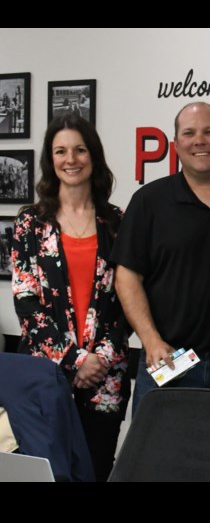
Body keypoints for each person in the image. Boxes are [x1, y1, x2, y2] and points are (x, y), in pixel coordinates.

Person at [11, 112, 129, 481]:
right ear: (51, 160)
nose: (71, 159)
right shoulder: (30, 223)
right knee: (47, 473)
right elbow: (26, 302)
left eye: (79, 150)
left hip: (104, 378)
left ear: (93, 156)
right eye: (60, 151)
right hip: (44, 376)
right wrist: (74, 359)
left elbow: (129, 300)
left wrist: (98, 361)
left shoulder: (117, 222)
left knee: (95, 470)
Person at [113, 102, 210, 413]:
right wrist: (151, 340)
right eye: (189, 133)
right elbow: (126, 277)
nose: (199, 140)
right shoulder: (149, 201)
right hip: (168, 362)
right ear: (176, 144)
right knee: (155, 461)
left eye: (209, 132)